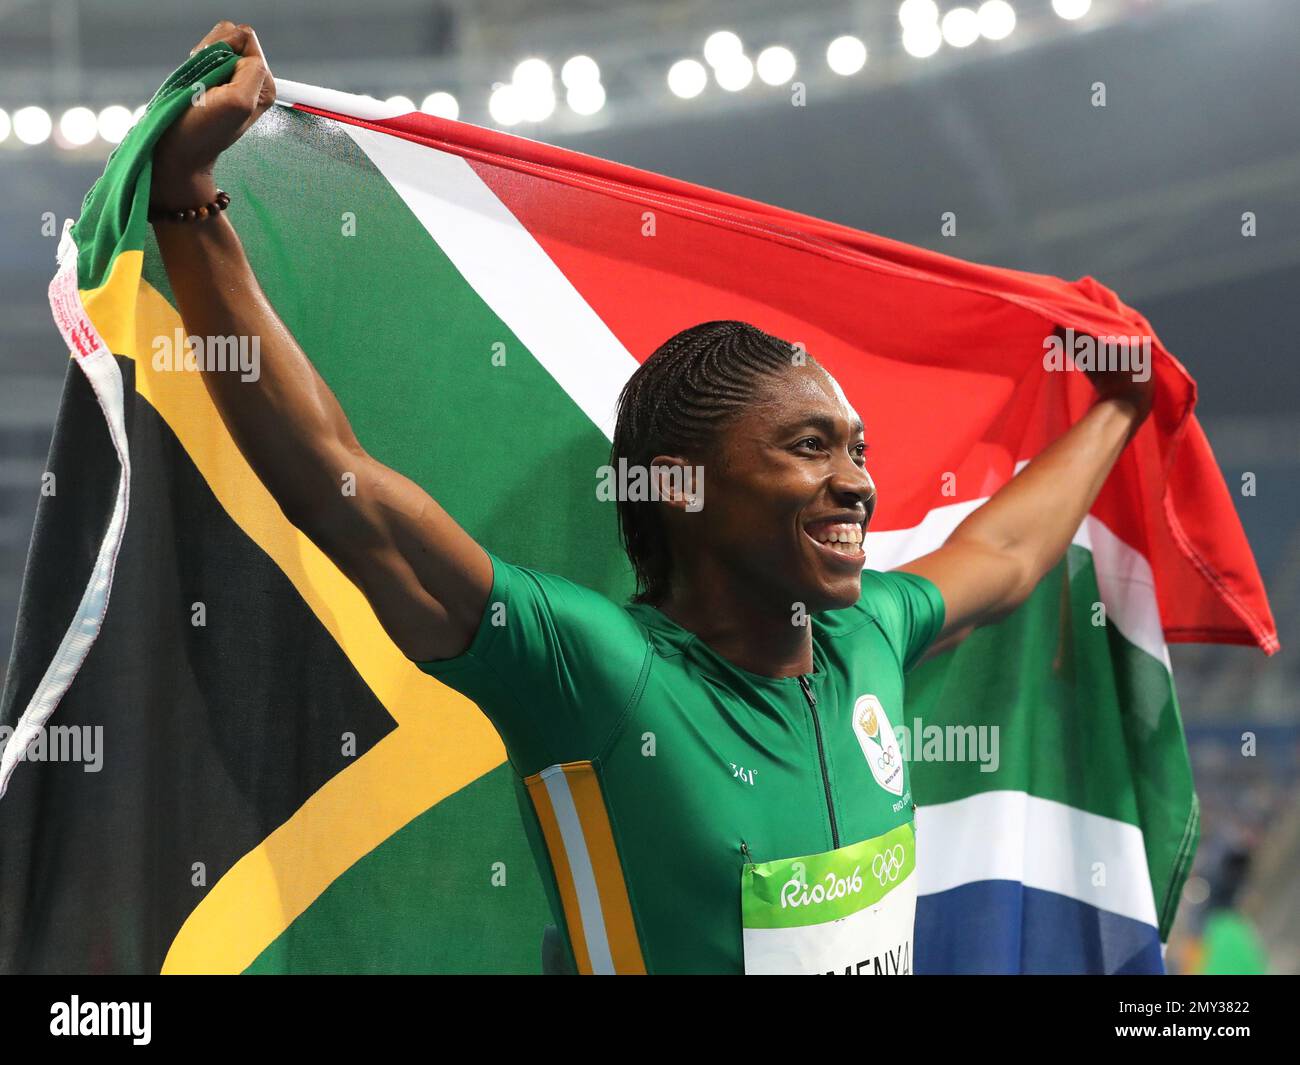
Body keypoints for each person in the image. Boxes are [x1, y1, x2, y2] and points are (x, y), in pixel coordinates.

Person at [150, 21, 1156, 974]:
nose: (856, 480)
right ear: (679, 489)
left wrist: (1119, 402)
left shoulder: (872, 635)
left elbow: (1011, 555)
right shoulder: (592, 671)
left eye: (856, 448)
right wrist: (189, 198)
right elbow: (339, 489)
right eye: (809, 448)